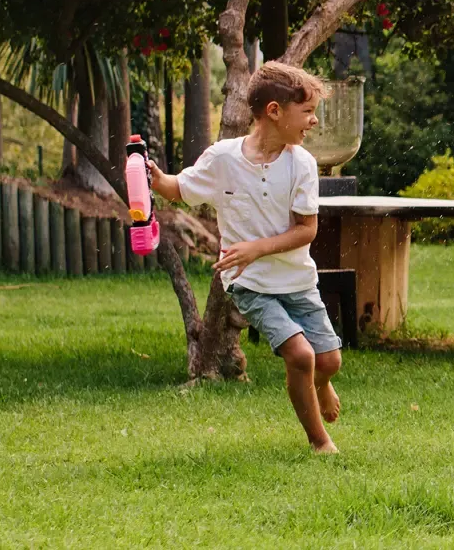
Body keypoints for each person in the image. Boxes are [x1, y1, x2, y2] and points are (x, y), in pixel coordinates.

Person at [146, 61, 343, 454]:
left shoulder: (302, 164)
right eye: (306, 112)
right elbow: (179, 188)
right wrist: (151, 178)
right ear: (274, 111)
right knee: (301, 356)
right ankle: (320, 441)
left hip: (298, 280)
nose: (314, 122)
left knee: (329, 362)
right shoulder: (223, 159)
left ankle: (322, 383)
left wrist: (255, 248)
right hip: (249, 283)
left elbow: (307, 230)